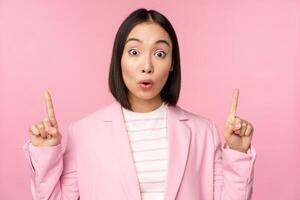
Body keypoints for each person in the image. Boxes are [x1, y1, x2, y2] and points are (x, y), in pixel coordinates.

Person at [22, 8, 256, 200]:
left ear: (172, 63)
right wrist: (46, 153)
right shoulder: (83, 132)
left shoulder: (203, 132)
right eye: (134, 51)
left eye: (160, 54)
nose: (147, 66)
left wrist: (237, 153)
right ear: (119, 59)